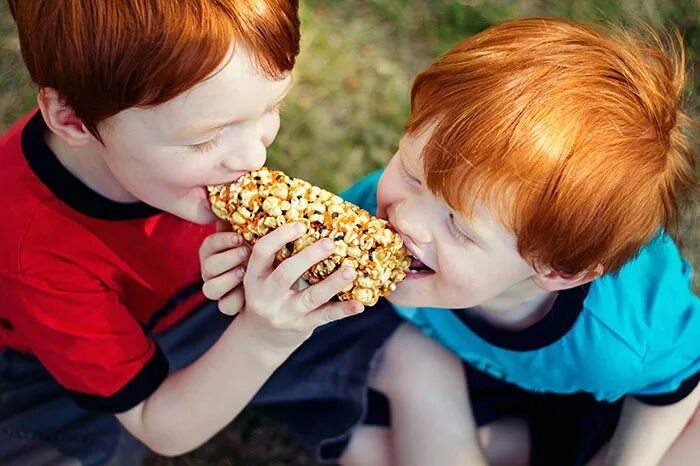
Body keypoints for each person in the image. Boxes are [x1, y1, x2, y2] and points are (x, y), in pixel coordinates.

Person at [201, 17, 700, 466]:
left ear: (555, 271)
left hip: (616, 400)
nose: (408, 221)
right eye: (413, 175)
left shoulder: (620, 343)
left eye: (459, 227)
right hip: (481, 374)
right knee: (362, 447)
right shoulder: (379, 211)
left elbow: (675, 385)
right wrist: (260, 280)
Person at [0, 1, 365, 465]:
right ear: (71, 118)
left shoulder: (175, 159)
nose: (253, 157)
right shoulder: (28, 246)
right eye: (203, 140)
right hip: (70, 356)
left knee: (376, 317)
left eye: (271, 107)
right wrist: (265, 337)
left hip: (196, 307)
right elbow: (159, 426)